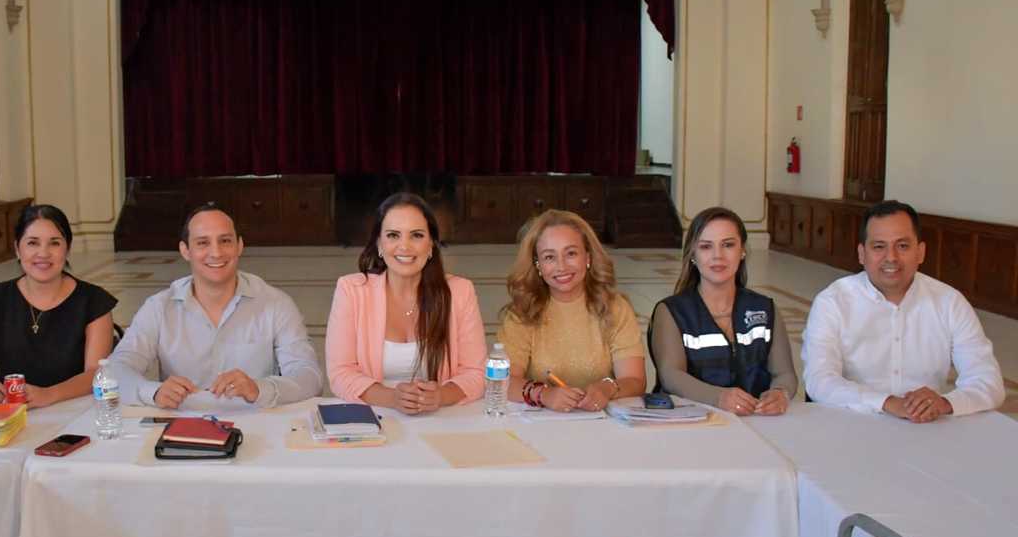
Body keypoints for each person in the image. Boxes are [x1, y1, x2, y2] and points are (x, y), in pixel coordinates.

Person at [802, 200, 1003, 422]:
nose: (891, 257)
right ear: (862, 254)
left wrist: (945, 403)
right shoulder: (832, 302)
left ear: (920, 252)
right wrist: (887, 403)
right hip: (851, 422)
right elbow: (819, 380)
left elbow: (988, 381)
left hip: (925, 426)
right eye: (879, 246)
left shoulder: (949, 302)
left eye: (903, 246)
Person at [109, 203, 322, 408]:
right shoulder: (159, 307)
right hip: (183, 422)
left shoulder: (276, 304)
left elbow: (309, 377)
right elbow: (115, 370)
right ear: (185, 250)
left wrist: (259, 389)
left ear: (239, 246)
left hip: (257, 420)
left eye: (225, 241)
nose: (216, 252)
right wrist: (153, 392)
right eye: (203, 243)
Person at [325, 192, 485, 414]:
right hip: (375, 416)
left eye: (416, 235)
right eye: (393, 235)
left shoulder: (460, 292)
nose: (404, 246)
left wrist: (441, 395)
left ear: (431, 245)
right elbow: (340, 374)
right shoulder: (351, 290)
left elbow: (476, 373)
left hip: (441, 418)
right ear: (379, 244)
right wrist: (393, 398)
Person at [0, 204, 116, 407]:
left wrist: (48, 395)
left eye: (54, 243)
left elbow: (96, 373)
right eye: (32, 243)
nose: (43, 253)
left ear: (67, 249)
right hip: (10, 412)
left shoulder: (94, 301)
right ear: (17, 249)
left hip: (73, 410)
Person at [648, 207, 796, 416]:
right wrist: (718, 397)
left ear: (742, 250)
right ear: (693, 254)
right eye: (706, 247)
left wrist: (780, 393)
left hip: (755, 421)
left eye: (728, 245)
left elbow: (785, 373)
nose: (718, 256)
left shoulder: (765, 308)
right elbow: (671, 376)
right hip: (692, 422)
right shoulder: (672, 311)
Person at [499, 209, 645, 412]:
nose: (561, 266)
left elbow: (635, 380)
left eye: (571, 253)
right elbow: (503, 381)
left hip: (603, 421)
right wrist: (543, 394)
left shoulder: (615, 307)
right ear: (538, 265)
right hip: (541, 420)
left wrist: (607, 388)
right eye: (549, 257)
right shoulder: (522, 312)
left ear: (588, 257)